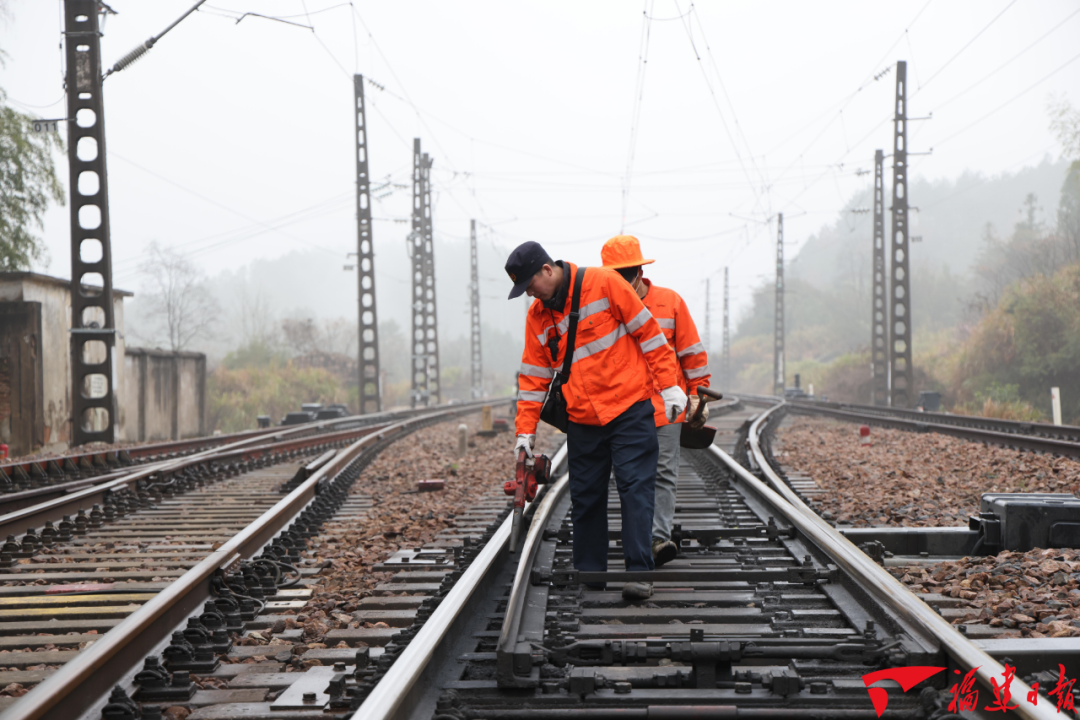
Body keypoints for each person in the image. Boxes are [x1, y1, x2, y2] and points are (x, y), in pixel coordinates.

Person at [506, 241, 686, 601]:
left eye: (530, 285)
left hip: (629, 408)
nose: (529, 294)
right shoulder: (538, 317)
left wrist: (670, 387)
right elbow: (532, 379)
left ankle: (639, 573)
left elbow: (649, 335)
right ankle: (591, 575)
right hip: (583, 419)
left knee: (635, 489)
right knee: (586, 496)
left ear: (546, 270)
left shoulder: (604, 284)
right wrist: (525, 431)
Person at [600, 235, 712, 568]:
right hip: (624, 409)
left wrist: (696, 395)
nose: (623, 281)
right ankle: (639, 538)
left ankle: (658, 538)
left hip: (666, 406)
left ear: (639, 271)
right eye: (616, 275)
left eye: (627, 273)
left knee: (663, 473)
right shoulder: (604, 308)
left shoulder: (670, 303)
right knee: (631, 477)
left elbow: (692, 354)